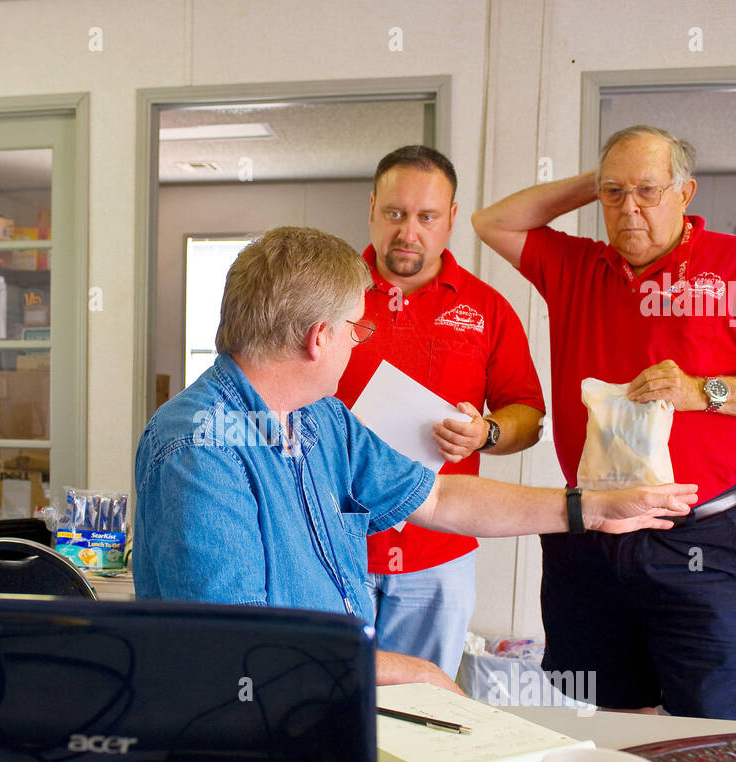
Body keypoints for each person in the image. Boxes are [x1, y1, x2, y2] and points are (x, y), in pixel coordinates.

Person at [132, 225, 698, 692]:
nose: (359, 341)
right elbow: (242, 647)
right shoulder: (199, 447)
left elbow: (441, 497)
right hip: (247, 735)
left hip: (322, 701)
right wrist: (418, 672)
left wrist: (592, 509)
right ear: (318, 338)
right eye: (357, 327)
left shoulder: (319, 419)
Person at [472, 124, 736, 720]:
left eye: (647, 191)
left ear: (685, 193)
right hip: (591, 534)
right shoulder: (578, 267)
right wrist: (601, 179)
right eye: (614, 194)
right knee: (599, 715)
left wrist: (704, 392)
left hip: (705, 538)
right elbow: (494, 222)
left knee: (711, 724)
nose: (629, 209)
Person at [335, 146, 545, 678]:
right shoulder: (328, 295)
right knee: (325, 704)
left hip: (438, 554)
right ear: (372, 209)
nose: (408, 232)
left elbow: (528, 415)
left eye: (426, 217)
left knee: (421, 714)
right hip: (332, 544)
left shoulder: (486, 307)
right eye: (395, 213)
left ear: (451, 219)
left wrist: (487, 432)